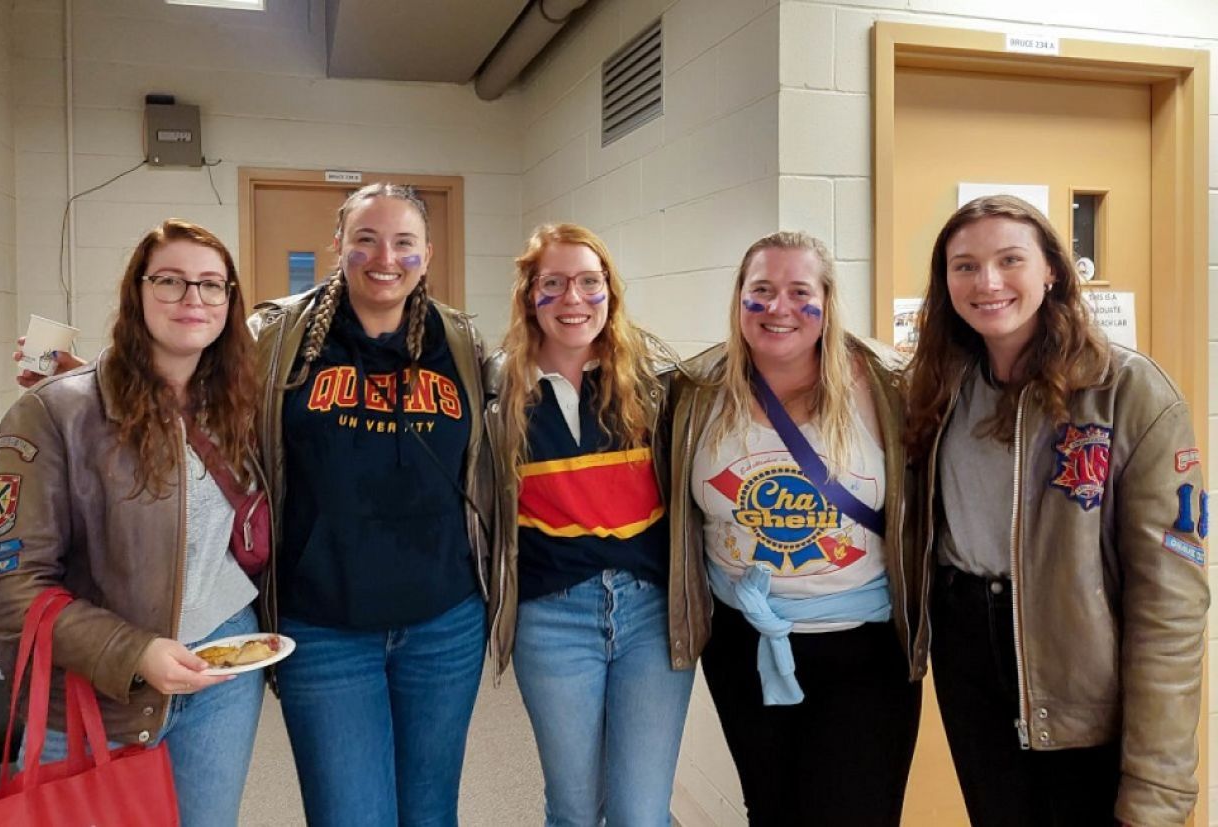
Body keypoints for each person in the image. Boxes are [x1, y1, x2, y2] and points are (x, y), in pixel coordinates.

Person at [904, 195, 1208, 827]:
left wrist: (1160, 790)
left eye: (1009, 259)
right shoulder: (940, 384)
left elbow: (1171, 603)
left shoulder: (1129, 391)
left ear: (1052, 272)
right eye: (964, 266)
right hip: (969, 654)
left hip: (1080, 667)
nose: (987, 282)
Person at [0, 219, 265, 827]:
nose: (194, 299)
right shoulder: (51, 413)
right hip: (93, 692)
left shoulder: (238, 405)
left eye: (213, 286)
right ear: (137, 294)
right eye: (171, 281)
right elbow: (9, 591)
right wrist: (133, 651)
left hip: (222, 672)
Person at [249, 182, 490, 826]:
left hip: (445, 623)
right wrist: (96, 383)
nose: (385, 256)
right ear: (339, 246)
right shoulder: (276, 337)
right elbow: (191, 382)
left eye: (404, 242)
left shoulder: (462, 343)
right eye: (365, 238)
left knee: (431, 812)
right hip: (323, 624)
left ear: (427, 253)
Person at [672, 231, 925, 825]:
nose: (778, 308)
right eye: (761, 290)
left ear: (828, 302)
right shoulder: (693, 391)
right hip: (744, 644)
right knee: (772, 809)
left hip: (862, 648)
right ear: (738, 299)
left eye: (798, 292)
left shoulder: (891, 385)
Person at [486, 223, 708, 825]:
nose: (573, 299)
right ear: (529, 295)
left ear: (610, 291)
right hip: (551, 617)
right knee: (576, 808)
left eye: (589, 282)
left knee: (641, 813)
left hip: (649, 615)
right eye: (552, 284)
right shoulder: (498, 390)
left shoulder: (658, 382)